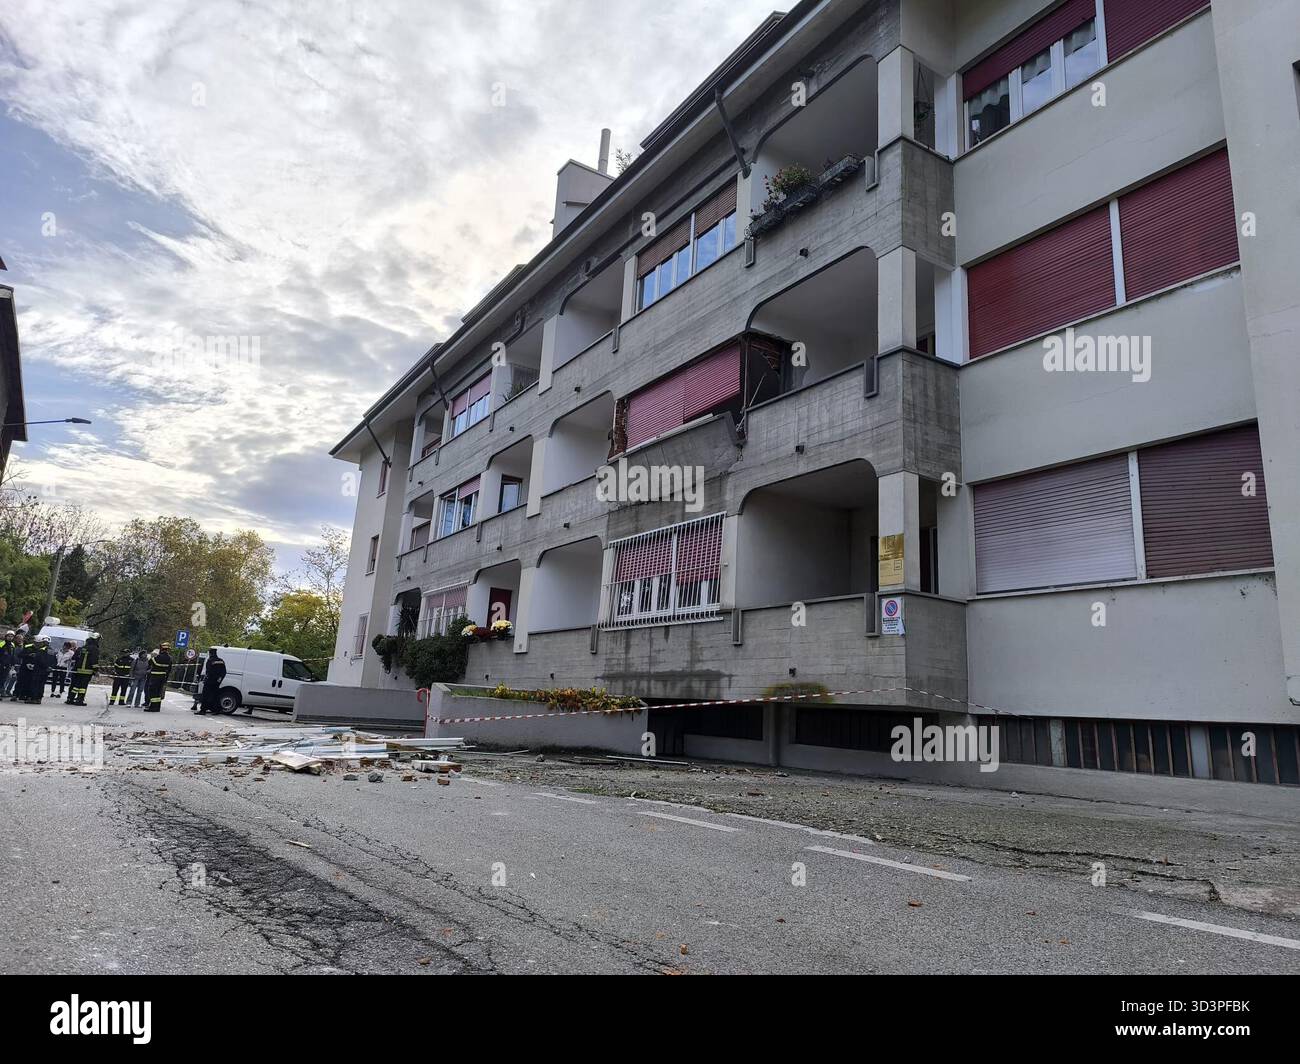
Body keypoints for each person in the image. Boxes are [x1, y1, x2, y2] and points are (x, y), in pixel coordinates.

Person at [65, 636, 100, 706]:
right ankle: (79, 700)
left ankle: (70, 699)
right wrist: (96, 671)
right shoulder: (95, 649)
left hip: (78, 670)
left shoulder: (81, 648)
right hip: (87, 671)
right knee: (83, 687)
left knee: (76, 685)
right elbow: (94, 661)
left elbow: (74, 658)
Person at [145, 642, 173, 713]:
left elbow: (149, 662)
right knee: (158, 693)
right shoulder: (169, 659)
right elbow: (169, 670)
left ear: (161, 649)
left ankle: (152, 707)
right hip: (163, 677)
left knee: (153, 692)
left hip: (155, 677)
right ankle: (157, 707)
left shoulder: (157, 657)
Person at [198, 648, 227, 715]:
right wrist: (219, 679)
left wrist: (206, 679)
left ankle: (203, 710)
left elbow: (208, 671)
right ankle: (217, 710)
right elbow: (224, 672)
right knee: (216, 696)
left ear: (210, 653)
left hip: (209, 681)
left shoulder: (210, 660)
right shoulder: (221, 661)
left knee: (205, 695)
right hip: (216, 682)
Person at [1, 632, 17, 698]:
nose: (10, 637)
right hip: (1, 664)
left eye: (11, 636)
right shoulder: (2, 644)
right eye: (9, 636)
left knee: (3, 679)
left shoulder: (12, 645)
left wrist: (13, 664)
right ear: (6, 636)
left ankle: (1, 692)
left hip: (8, 665)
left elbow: (12, 655)